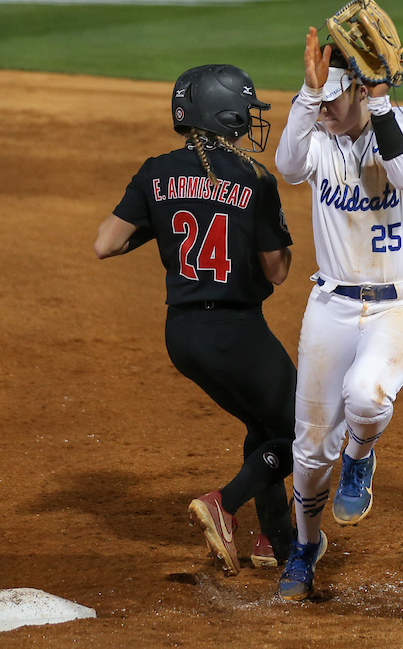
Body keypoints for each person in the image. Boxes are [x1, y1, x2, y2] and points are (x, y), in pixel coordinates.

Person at [94, 64, 298, 576]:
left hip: (182, 335)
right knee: (313, 434)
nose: (250, 120)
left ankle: (276, 540)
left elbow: (107, 244)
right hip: (237, 334)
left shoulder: (155, 171)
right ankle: (224, 505)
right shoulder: (254, 180)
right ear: (224, 116)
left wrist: (162, 224)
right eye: (245, 112)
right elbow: (277, 272)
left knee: (265, 424)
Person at [272, 26, 403, 602]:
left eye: (335, 99)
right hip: (331, 307)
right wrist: (308, 94)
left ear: (365, 93)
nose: (325, 112)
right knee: (309, 453)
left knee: (366, 398)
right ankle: (304, 547)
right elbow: (288, 166)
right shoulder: (319, 133)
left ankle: (361, 456)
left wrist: (381, 100)